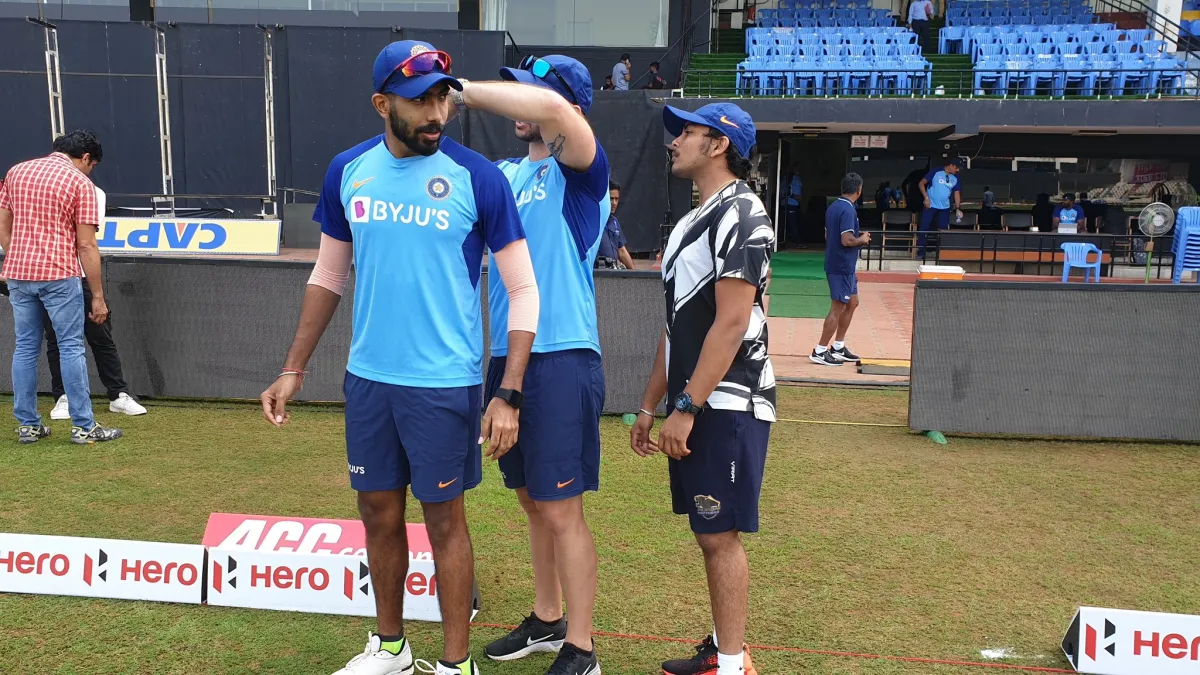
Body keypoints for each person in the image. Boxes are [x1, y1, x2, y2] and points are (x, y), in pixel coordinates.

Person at [258, 40, 540, 675]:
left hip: (444, 383)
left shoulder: (479, 177)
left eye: (443, 97)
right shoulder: (347, 171)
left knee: (444, 521)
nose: (436, 112)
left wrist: (509, 391)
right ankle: (389, 648)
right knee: (376, 513)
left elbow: (523, 291)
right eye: (420, 101)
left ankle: (455, 663)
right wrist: (293, 367)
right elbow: (328, 278)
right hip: (369, 381)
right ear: (382, 104)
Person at [454, 53, 610, 675]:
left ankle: (583, 646)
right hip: (508, 357)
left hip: (563, 357)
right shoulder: (505, 175)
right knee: (531, 501)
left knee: (562, 507)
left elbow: (551, 111)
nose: (520, 104)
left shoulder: (583, 175)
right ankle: (548, 619)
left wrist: (457, 91)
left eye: (531, 94)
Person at [631, 102, 773, 675]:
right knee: (707, 530)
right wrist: (649, 405)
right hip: (695, 399)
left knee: (719, 534)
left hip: (729, 399)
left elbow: (733, 322)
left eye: (686, 132)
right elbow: (676, 324)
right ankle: (722, 648)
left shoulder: (744, 212)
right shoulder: (694, 219)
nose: (675, 142)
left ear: (718, 145)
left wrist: (687, 405)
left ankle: (732, 665)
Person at [0, 130, 123, 445]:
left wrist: (15, 257)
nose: (90, 170)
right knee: (71, 347)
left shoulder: (17, 172)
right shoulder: (81, 184)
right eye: (92, 164)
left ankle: (28, 425)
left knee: (25, 348)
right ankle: (83, 426)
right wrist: (97, 296)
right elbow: (86, 245)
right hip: (59, 273)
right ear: (85, 158)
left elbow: (3, 224)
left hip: (19, 274)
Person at [45, 183, 147, 419]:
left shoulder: (93, 192)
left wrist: (97, 294)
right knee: (56, 340)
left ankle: (118, 395)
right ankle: (64, 397)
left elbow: (86, 240)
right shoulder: (42, 187)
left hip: (80, 275)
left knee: (101, 337)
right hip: (53, 276)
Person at [811, 174, 870, 367]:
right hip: (841, 266)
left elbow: (829, 234)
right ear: (859, 190)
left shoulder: (834, 207)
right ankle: (820, 350)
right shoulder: (847, 210)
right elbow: (847, 240)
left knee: (853, 302)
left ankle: (838, 346)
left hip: (843, 264)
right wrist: (862, 239)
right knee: (837, 307)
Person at [917, 158, 963, 257]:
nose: (958, 170)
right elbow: (921, 183)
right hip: (930, 205)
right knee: (924, 227)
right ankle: (920, 251)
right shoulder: (936, 171)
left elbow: (956, 193)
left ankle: (942, 254)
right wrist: (926, 198)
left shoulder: (956, 178)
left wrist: (958, 208)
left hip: (945, 208)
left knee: (943, 230)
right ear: (951, 165)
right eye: (957, 168)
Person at [597, 180, 635, 269]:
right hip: (597, 274)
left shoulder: (615, 222)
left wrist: (635, 275)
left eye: (616, 199)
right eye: (611, 198)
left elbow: (622, 251)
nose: (614, 203)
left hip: (612, 274)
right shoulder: (592, 222)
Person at [785, 166, 803, 247]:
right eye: (797, 167)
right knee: (793, 224)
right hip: (790, 204)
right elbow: (785, 191)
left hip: (796, 204)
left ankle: (798, 241)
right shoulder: (789, 179)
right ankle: (798, 243)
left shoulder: (797, 179)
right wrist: (793, 196)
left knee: (796, 223)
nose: (799, 169)